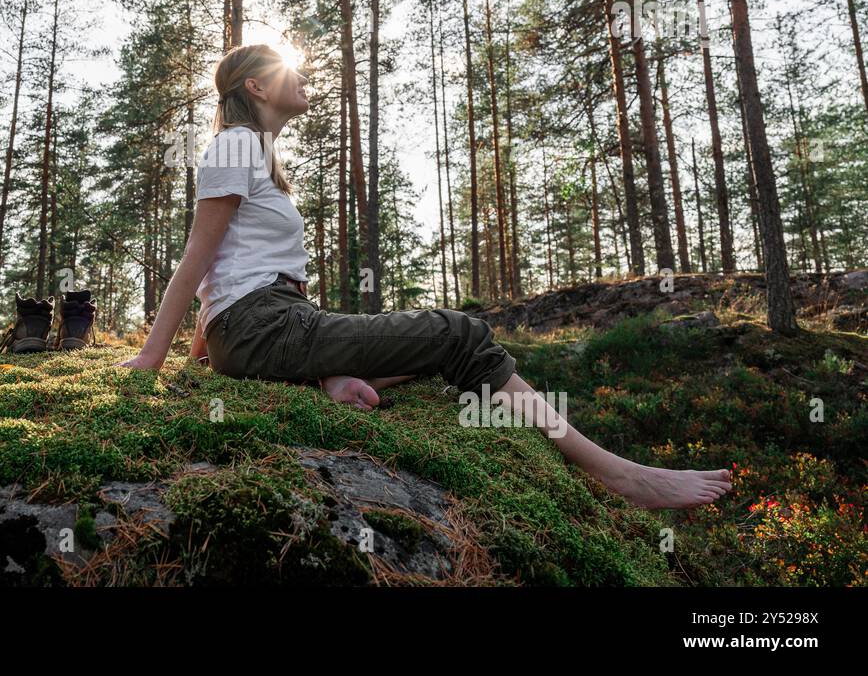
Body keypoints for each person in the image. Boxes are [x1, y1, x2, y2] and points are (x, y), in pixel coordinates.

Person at [116, 43, 732, 510]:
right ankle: (618, 473)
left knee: (431, 347)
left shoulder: (258, 155)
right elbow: (198, 258)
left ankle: (327, 378)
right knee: (460, 334)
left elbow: (231, 269)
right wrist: (152, 356)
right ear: (256, 85)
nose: (303, 79)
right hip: (260, 325)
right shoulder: (234, 147)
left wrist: (281, 353)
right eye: (288, 71)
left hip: (270, 323)